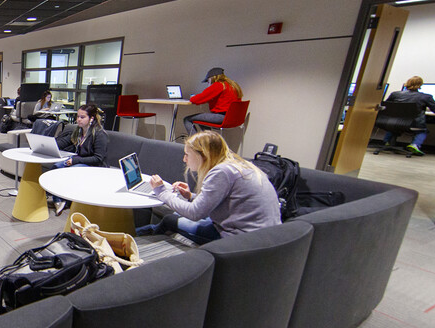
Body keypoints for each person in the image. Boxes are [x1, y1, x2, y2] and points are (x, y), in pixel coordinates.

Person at [137, 131, 280, 244]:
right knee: (177, 215)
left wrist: (161, 192)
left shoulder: (221, 172)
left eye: (187, 155)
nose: (184, 159)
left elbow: (195, 213)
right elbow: (222, 202)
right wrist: (190, 196)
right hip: (264, 235)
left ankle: (134, 242)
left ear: (202, 155)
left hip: (241, 240)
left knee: (170, 220)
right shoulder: (238, 166)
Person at [45, 104, 109, 215]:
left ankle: (63, 201)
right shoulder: (79, 131)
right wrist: (48, 145)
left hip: (95, 166)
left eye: (82, 117)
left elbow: (98, 158)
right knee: (57, 166)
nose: (78, 119)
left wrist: (75, 161)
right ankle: (58, 200)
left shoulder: (99, 134)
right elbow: (65, 142)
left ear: (91, 118)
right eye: (78, 116)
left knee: (71, 170)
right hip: (81, 160)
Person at [381, 75, 435, 156]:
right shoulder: (426, 97)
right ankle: (415, 145)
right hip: (412, 124)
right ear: (420, 85)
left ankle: (387, 142)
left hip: (391, 122)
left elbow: (386, 106)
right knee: (423, 130)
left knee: (394, 126)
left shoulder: (395, 94)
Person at [183, 67, 243, 136]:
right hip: (233, 118)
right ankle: (208, 143)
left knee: (187, 119)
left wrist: (194, 97)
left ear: (211, 78)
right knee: (202, 121)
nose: (208, 82)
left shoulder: (218, 85)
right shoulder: (233, 85)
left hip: (222, 117)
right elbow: (224, 100)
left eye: (208, 81)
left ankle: (195, 144)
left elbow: (195, 100)